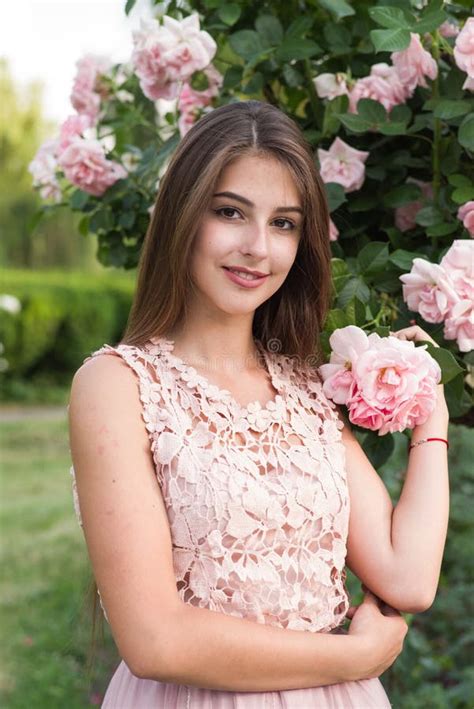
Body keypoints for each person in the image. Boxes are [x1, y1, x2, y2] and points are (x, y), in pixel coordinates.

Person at [68, 99, 449, 708]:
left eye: (284, 223)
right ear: (182, 217)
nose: (257, 248)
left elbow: (407, 576)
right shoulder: (117, 385)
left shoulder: (307, 387)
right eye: (229, 212)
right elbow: (155, 640)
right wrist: (354, 656)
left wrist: (428, 408)